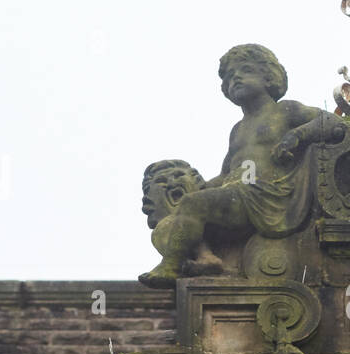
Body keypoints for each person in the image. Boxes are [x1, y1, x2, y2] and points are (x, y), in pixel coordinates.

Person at [137, 44, 339, 288]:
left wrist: (297, 136)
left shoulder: (285, 111)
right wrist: (196, 192)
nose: (236, 78)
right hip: (237, 193)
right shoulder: (238, 130)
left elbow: (332, 122)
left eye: (244, 71)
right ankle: (206, 258)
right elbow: (226, 174)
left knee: (193, 204)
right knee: (173, 218)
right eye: (230, 76)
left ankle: (170, 266)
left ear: (268, 77)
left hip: (267, 196)